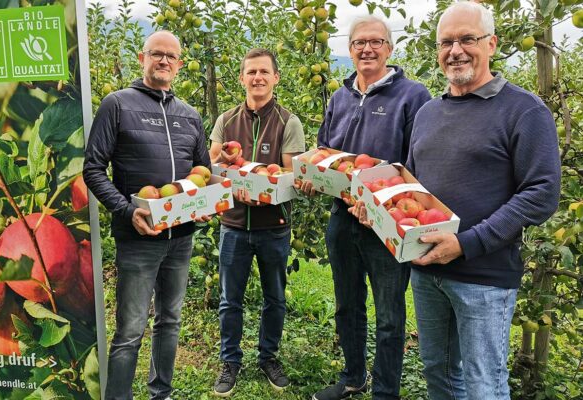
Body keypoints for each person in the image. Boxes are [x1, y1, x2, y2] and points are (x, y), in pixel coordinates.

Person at [403, 2, 561, 399]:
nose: (455, 50)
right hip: (427, 272)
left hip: (484, 278)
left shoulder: (523, 111)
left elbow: (542, 193)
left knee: (482, 385)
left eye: (467, 39)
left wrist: (467, 243)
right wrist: (376, 208)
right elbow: (409, 185)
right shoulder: (427, 113)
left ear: (491, 44)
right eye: (446, 42)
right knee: (439, 375)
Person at [303, 16, 432, 400]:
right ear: (350, 49)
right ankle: (353, 376)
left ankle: (386, 392)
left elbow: (416, 163)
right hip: (343, 217)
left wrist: (381, 200)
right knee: (347, 305)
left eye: (376, 42)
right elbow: (325, 151)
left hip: (388, 221)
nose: (367, 49)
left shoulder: (413, 96)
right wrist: (313, 173)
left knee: (390, 316)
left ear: (389, 49)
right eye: (359, 42)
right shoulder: (340, 96)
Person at [83, 30, 211, 400]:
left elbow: (202, 172)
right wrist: (126, 211)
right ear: (143, 58)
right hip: (139, 238)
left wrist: (201, 206)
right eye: (157, 54)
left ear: (180, 65)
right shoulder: (118, 104)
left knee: (169, 321)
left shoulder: (189, 114)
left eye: (172, 56)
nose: (164, 61)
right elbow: (93, 168)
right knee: (130, 330)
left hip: (181, 239)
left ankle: (162, 393)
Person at [208, 48, 305, 397]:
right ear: (242, 78)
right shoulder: (225, 120)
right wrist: (235, 185)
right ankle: (230, 360)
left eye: (264, 72)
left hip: (273, 225)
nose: (258, 78)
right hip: (233, 223)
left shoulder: (288, 122)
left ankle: (268, 357)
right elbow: (212, 166)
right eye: (251, 72)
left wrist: (260, 190)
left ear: (276, 78)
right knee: (229, 298)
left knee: (274, 297)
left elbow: (290, 175)